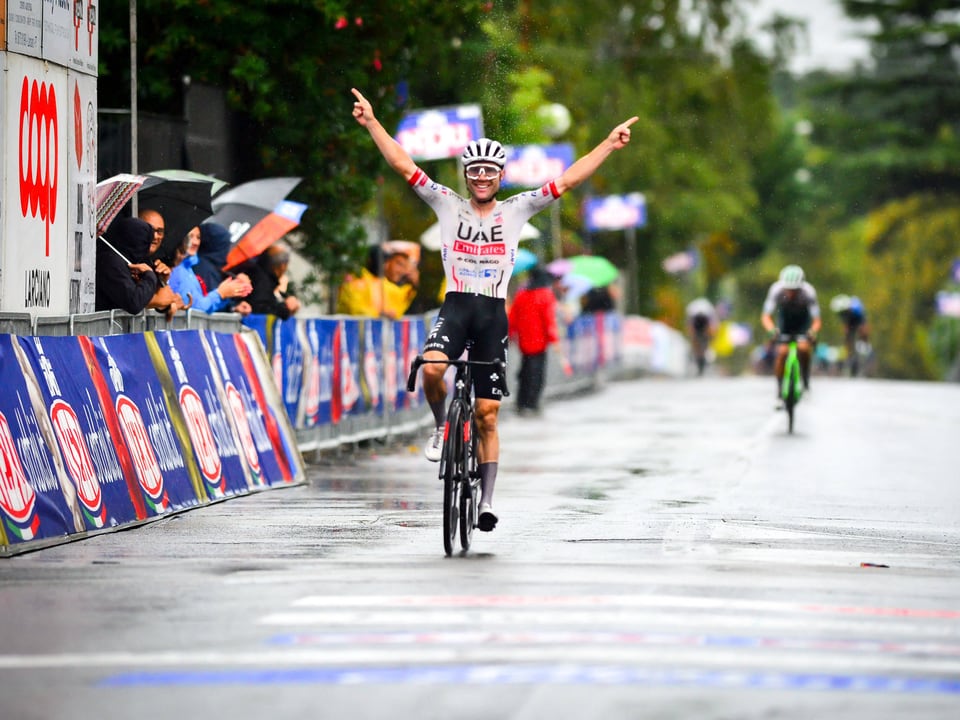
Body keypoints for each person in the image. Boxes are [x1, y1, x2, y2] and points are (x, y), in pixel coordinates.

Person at [352, 86, 637, 532]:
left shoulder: (518, 209)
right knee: (430, 369)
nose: (482, 177)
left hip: (491, 315)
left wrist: (607, 143)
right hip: (457, 306)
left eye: (489, 171)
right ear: (466, 175)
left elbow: (569, 179)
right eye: (475, 171)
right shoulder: (445, 202)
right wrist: (371, 122)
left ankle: (485, 499)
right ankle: (441, 426)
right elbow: (403, 164)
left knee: (487, 414)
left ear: (500, 176)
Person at [760, 264, 822, 403]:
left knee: (804, 349)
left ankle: (806, 384)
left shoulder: (808, 292)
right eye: (788, 289)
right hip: (784, 322)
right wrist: (771, 329)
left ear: (801, 286)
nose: (791, 293)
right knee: (782, 353)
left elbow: (817, 319)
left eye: (795, 290)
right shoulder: (776, 290)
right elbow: (766, 316)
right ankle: (779, 392)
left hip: (802, 322)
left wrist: (813, 331)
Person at [508, 266, 560, 416]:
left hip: (524, 341)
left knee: (525, 371)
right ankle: (532, 402)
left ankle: (521, 401)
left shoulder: (521, 295)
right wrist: (554, 339)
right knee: (537, 373)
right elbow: (548, 319)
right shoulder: (545, 294)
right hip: (539, 341)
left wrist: (511, 334)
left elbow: (513, 317)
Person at [168, 225, 253, 314]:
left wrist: (229, 299)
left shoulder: (188, 267)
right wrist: (220, 294)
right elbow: (195, 310)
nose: (195, 242)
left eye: (198, 237)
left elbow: (201, 304)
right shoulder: (177, 269)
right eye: (190, 236)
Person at [95, 217, 161, 314]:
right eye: (145, 242)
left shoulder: (123, 262)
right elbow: (134, 303)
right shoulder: (111, 262)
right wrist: (150, 277)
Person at [336, 244, 419, 318]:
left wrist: (413, 286)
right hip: (350, 332)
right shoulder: (356, 277)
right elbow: (354, 309)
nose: (386, 266)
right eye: (384, 261)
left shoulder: (381, 281)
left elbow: (398, 299)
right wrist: (378, 315)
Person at [138, 207, 187, 316]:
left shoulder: (153, 263)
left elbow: (163, 301)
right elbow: (133, 300)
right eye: (149, 229)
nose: (155, 236)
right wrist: (166, 301)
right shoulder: (123, 258)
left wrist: (162, 282)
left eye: (160, 231)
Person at [240, 240, 302, 318]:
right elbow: (260, 309)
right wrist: (285, 308)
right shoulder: (262, 280)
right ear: (283, 266)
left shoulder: (261, 274)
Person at [833, 294, 870, 376]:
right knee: (847, 337)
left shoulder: (856, 308)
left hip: (858, 319)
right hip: (850, 321)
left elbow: (863, 321)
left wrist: (863, 331)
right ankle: (849, 354)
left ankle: (865, 346)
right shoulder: (842, 312)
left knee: (863, 331)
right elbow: (845, 324)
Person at [685, 297, 718, 376]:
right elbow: (690, 325)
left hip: (704, 331)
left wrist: (711, 334)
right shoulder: (693, 312)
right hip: (698, 330)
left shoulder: (708, 312)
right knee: (697, 349)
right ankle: (698, 362)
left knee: (703, 348)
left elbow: (712, 325)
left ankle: (702, 363)